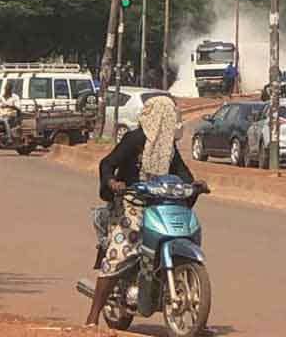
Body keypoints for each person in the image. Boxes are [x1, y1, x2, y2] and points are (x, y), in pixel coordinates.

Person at [84, 96, 201, 328]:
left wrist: (195, 185)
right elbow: (107, 163)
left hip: (160, 205)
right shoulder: (134, 139)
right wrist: (112, 182)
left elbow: (182, 172)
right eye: (169, 115)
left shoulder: (168, 146)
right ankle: (92, 316)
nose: (172, 120)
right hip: (130, 206)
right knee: (120, 254)